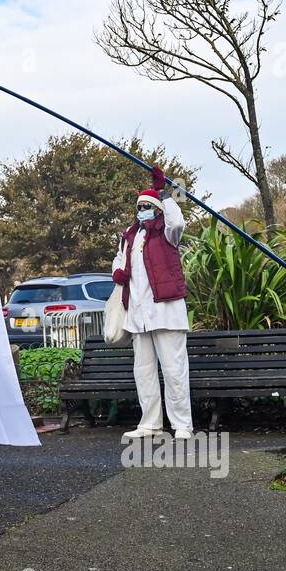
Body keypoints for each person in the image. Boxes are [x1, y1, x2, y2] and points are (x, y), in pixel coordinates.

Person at [111, 166, 193, 440]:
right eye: (140, 205)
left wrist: (164, 193)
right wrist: (116, 271)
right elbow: (119, 262)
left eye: (148, 205)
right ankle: (150, 423)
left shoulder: (167, 232)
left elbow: (178, 222)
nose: (143, 208)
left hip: (166, 311)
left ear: (157, 208)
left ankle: (182, 424)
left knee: (173, 369)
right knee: (143, 372)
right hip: (138, 314)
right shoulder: (130, 235)